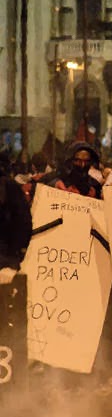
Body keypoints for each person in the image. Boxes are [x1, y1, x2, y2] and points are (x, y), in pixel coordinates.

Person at [0, 153, 32, 396]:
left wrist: (13, 262)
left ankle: (10, 387)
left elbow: (22, 225)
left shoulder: (8, 189)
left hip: (5, 271)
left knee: (7, 329)